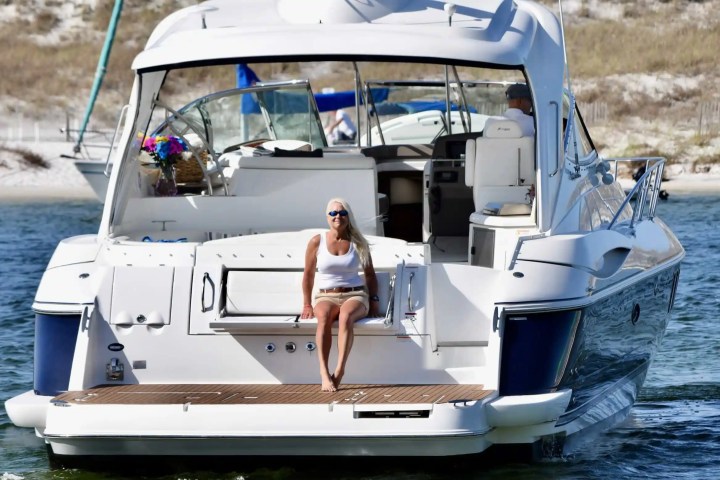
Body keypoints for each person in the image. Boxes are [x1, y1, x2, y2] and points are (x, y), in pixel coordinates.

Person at [301, 198, 380, 392]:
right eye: (334, 213)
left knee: (345, 317)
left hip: (355, 295)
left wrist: (374, 299)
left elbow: (370, 275)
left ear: (348, 217)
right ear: (327, 217)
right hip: (325, 296)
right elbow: (308, 275)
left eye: (343, 213)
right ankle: (323, 372)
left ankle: (340, 370)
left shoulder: (358, 243)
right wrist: (306, 304)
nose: (338, 216)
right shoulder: (316, 241)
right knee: (323, 318)